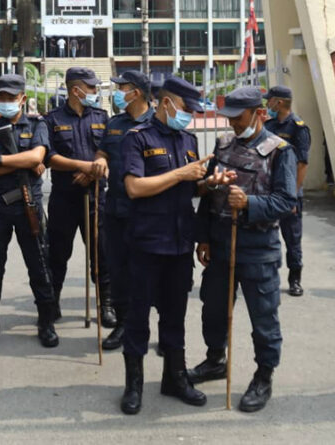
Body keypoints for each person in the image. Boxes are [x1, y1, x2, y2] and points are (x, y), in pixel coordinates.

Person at [190, 86, 298, 413]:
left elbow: (287, 201)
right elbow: (207, 195)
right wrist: (204, 236)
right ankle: (214, 360)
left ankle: (264, 375)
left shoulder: (280, 150)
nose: (234, 123)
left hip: (257, 247)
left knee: (263, 317)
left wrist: (249, 202)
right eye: (230, 118)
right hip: (221, 242)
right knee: (213, 308)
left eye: (239, 117)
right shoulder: (223, 145)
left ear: (258, 114)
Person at [118, 77, 210, 415]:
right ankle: (134, 384)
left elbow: (192, 189)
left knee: (175, 316)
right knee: (138, 316)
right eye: (187, 109)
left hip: (179, 244)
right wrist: (180, 175)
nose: (191, 117)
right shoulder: (138, 139)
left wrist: (208, 183)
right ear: (167, 103)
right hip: (146, 243)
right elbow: (135, 188)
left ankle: (175, 378)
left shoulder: (188, 140)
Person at [0, 74, 58, 348]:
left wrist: (1, 159)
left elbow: (36, 157)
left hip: (27, 205)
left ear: (22, 98)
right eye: (2, 97)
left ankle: (46, 322)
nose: (6, 102)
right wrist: (23, 162)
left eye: (12, 97)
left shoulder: (37, 125)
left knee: (39, 265)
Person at [43, 67, 113, 326]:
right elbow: (49, 157)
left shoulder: (102, 117)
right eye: (92, 88)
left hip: (96, 196)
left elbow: (108, 151)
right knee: (58, 253)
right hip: (64, 198)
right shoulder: (52, 119)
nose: (95, 92)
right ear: (76, 90)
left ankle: (105, 304)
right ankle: (52, 303)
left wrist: (94, 170)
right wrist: (81, 166)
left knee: (102, 252)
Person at [97, 70, 154, 351]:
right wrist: (101, 160)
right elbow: (103, 150)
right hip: (115, 209)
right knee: (118, 271)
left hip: (147, 213)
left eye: (123, 88)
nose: (118, 92)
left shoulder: (158, 123)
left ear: (138, 93)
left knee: (148, 273)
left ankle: (153, 328)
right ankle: (122, 324)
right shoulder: (115, 123)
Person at [263, 85, 310, 297]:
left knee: (292, 238)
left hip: (290, 193)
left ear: (278, 102)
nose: (267, 104)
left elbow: (302, 164)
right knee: (265, 235)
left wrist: (293, 195)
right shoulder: (269, 125)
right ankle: (267, 277)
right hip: (270, 192)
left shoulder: (298, 127)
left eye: (269, 100)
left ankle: (295, 279)